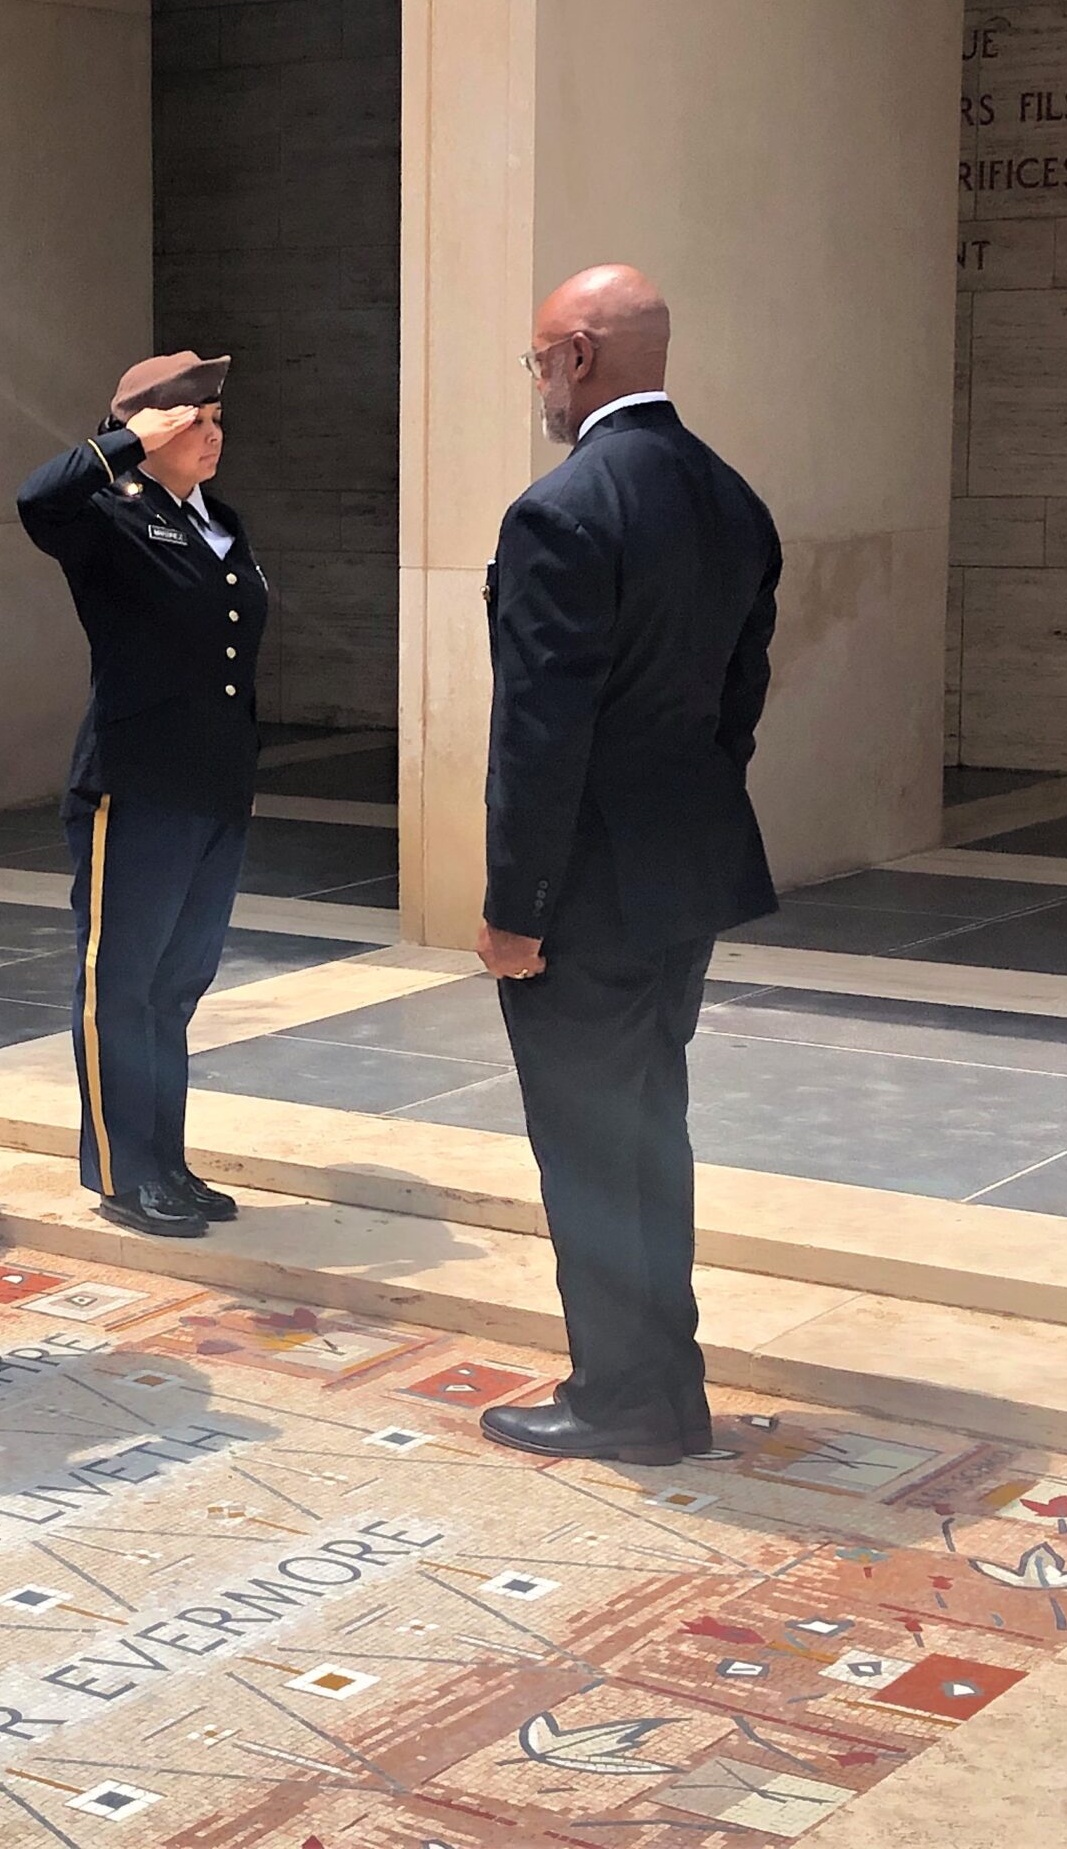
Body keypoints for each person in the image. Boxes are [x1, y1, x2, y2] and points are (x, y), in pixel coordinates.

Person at [472, 266, 783, 1468]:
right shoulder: (730, 498)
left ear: (580, 356)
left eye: (539, 361)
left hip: (585, 893)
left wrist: (516, 908)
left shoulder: (561, 511)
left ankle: (623, 1400)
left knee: (592, 1149)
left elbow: (538, 734)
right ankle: (665, 1388)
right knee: (650, 1133)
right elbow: (736, 701)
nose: (539, 385)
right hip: (677, 879)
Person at [17, 352, 268, 1239]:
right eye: (192, 420)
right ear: (149, 429)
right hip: (136, 786)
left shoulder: (220, 522)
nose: (212, 433)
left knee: (176, 986)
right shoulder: (109, 516)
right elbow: (36, 501)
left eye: (216, 418)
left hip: (214, 789)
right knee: (120, 984)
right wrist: (121, 443)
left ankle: (166, 1160)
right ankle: (124, 1172)